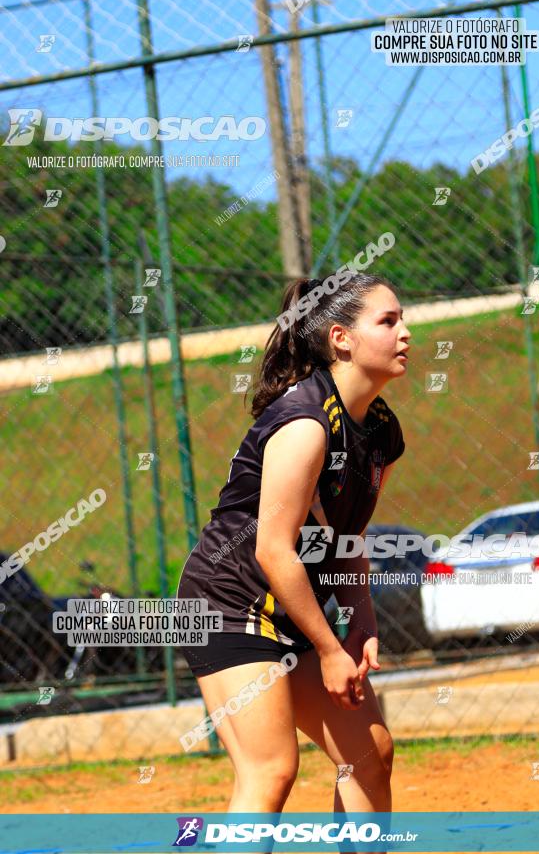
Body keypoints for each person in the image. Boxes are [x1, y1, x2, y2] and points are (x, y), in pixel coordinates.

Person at [177, 271, 411, 816]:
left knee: (369, 755)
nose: (406, 334)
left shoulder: (381, 431)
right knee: (271, 769)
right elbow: (273, 551)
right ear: (341, 339)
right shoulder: (304, 422)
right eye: (388, 320)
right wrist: (330, 649)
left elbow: (347, 538)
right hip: (226, 604)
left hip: (288, 608)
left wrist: (362, 624)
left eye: (403, 319)